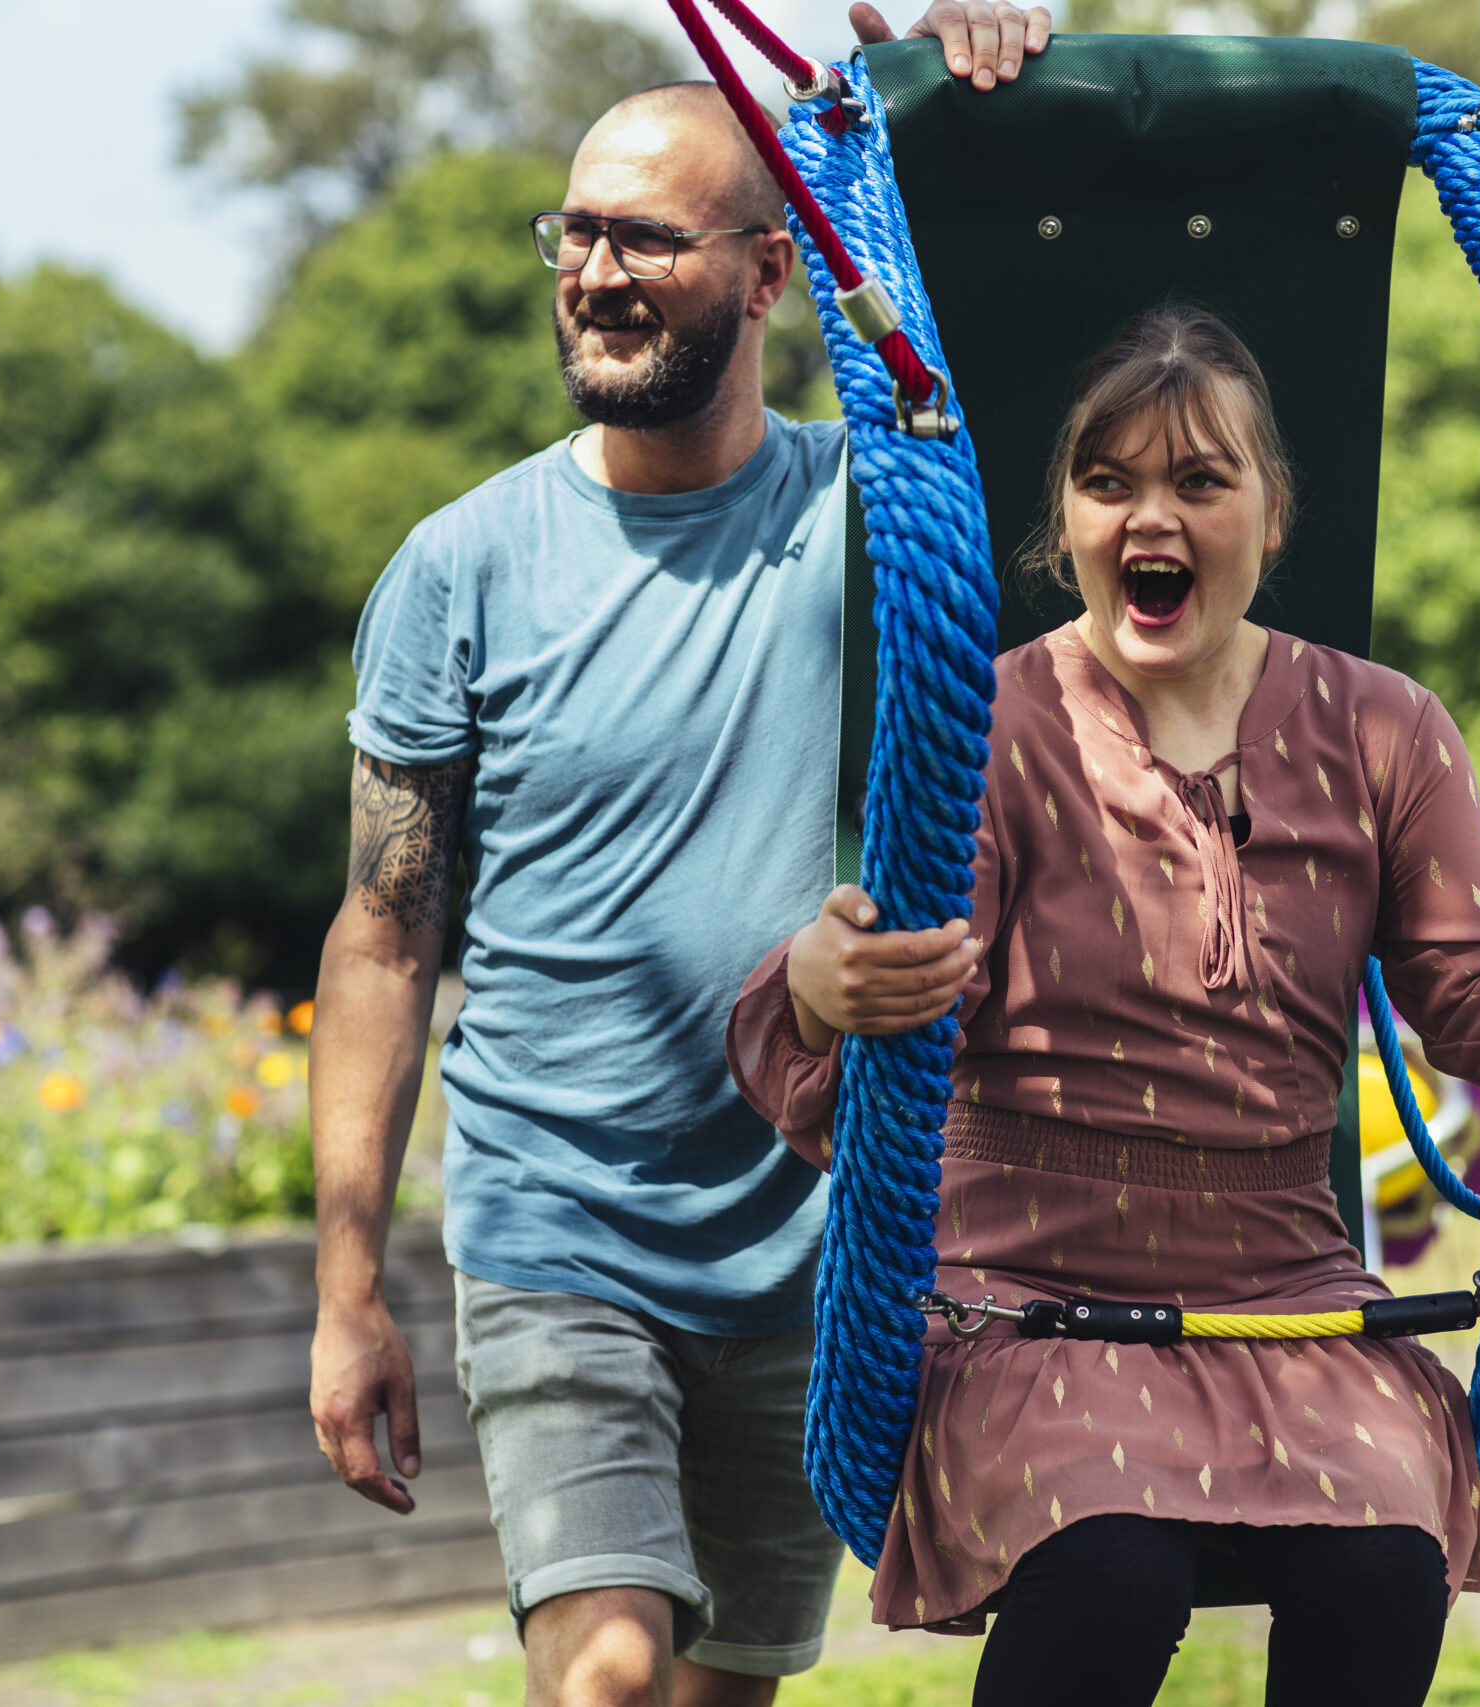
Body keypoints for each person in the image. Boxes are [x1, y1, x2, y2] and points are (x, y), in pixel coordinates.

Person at [724, 307, 1480, 1707]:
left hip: (1282, 1286)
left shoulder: (1384, 727)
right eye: (1108, 482)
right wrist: (826, 990)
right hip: (1029, 1292)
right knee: (1112, 1567)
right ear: (1062, 522)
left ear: (1270, 513)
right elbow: (896, 991)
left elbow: (1473, 998)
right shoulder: (995, 726)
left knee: (1381, 1562)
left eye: (1199, 480)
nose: (1149, 517)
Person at [304, 13, 1050, 1707]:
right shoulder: (460, 566)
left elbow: (1040, 355)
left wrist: (953, 85)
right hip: (556, 1218)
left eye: (645, 233)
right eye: (575, 231)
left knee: (714, 1699)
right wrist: (347, 1290)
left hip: (814, 1236)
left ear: (774, 272)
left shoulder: (881, 517)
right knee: (613, 1679)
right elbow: (380, 935)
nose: (595, 270)